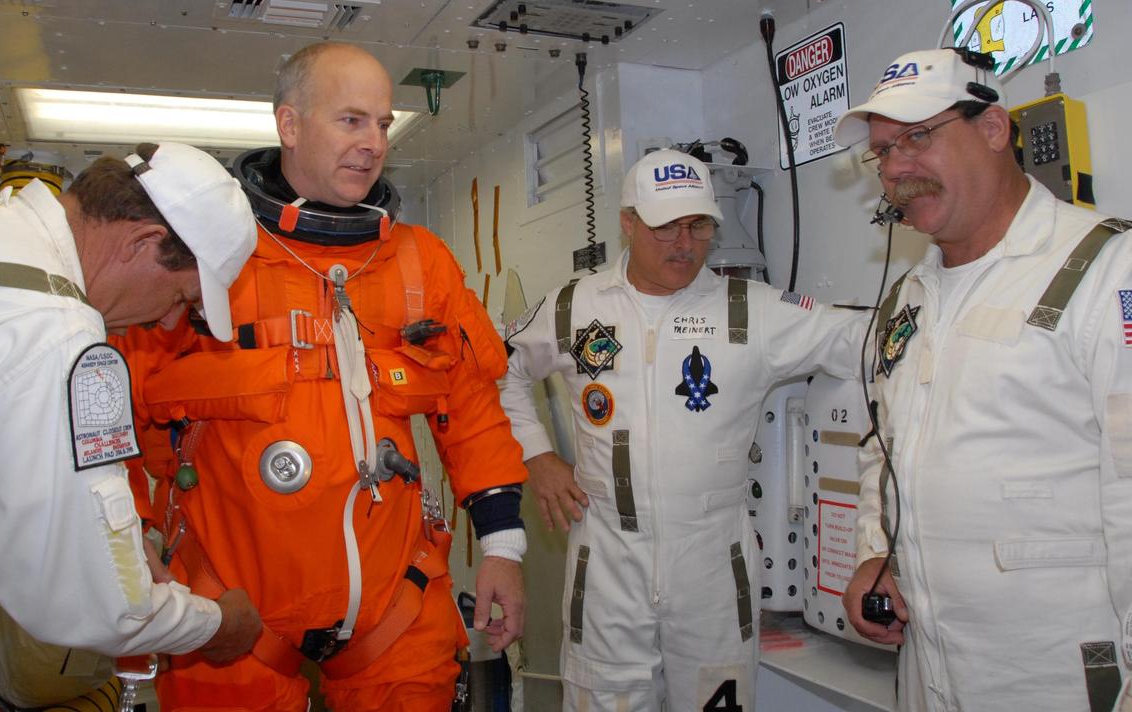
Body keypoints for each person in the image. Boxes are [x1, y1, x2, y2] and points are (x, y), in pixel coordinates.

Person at [117, 41, 528, 711]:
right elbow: (116, 426)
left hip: (396, 607)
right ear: (289, 125)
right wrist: (136, 550)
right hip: (231, 614)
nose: (372, 142)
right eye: (351, 120)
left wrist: (505, 548)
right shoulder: (210, 262)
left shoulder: (420, 265)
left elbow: (472, 410)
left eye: (383, 124)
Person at [0, 142, 264, 712]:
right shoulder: (55, 328)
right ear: (143, 242)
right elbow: (85, 601)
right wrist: (217, 626)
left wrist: (101, 539)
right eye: (180, 295)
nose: (169, 320)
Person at [499, 148, 868, 711]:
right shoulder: (574, 306)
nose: (684, 242)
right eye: (666, 225)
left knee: (714, 698)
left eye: (698, 224)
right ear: (628, 223)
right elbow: (499, 372)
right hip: (608, 556)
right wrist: (538, 457)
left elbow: (861, 342)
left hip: (713, 557)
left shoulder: (751, 310)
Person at [838, 47, 1132, 711]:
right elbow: (882, 450)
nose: (897, 169)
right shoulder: (906, 300)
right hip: (929, 669)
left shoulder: (1105, 270)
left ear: (994, 130)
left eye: (917, 137)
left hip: (1057, 673)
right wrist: (872, 552)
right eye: (882, 152)